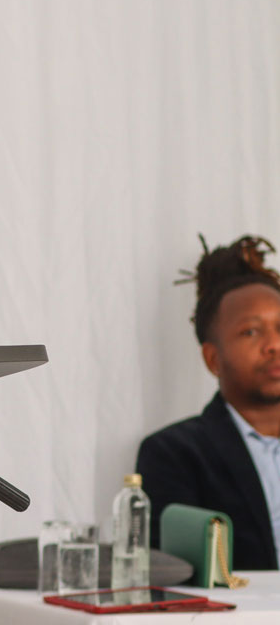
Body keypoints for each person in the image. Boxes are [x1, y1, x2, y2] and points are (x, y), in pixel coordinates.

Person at [137, 234, 280, 570]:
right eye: (251, 331)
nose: (274, 344)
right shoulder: (173, 455)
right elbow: (175, 575)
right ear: (213, 359)